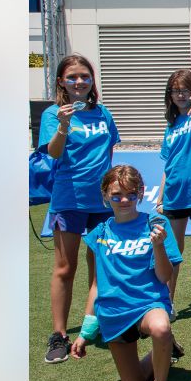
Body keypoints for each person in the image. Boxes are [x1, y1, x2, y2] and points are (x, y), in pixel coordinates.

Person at [70, 165, 182, 381]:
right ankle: (163, 351)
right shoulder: (99, 234)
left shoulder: (156, 224)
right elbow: (97, 285)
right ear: (105, 195)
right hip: (113, 313)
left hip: (148, 304)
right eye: (117, 194)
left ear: (141, 194)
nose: (124, 200)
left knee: (161, 327)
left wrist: (159, 246)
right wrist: (86, 333)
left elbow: (164, 276)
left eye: (131, 195)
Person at [40, 54, 121, 365]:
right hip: (69, 200)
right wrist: (63, 125)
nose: (79, 82)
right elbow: (54, 153)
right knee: (65, 268)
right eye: (72, 76)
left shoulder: (103, 113)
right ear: (61, 81)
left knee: (101, 265)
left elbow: (108, 152)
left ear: (92, 80)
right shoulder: (53, 114)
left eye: (84, 76)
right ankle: (59, 335)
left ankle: (93, 322)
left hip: (103, 202)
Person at [155, 68, 191, 314]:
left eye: (185, 90)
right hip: (174, 195)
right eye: (175, 91)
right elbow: (168, 166)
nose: (180, 95)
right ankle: (168, 302)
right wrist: (160, 198)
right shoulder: (171, 126)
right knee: (172, 251)